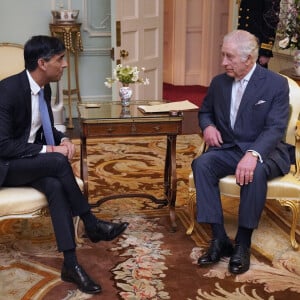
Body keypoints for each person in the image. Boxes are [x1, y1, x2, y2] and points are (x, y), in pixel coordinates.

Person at [0, 35, 129, 294]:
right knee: (58, 162)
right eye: (60, 59)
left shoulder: (44, 87)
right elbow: (2, 145)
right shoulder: (7, 91)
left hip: (28, 161)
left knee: (55, 187)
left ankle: (70, 264)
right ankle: (91, 223)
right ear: (42, 63)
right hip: (5, 165)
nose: (65, 65)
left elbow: (41, 128)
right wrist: (51, 149)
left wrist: (64, 138)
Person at [192, 30, 291, 274]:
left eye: (229, 57)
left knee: (254, 172)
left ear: (249, 59)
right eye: (223, 55)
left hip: (266, 150)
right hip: (229, 148)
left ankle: (243, 244)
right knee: (202, 164)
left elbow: (275, 128)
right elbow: (205, 112)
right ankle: (219, 239)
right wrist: (208, 126)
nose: (223, 62)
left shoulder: (275, 84)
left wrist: (254, 153)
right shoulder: (219, 83)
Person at [237, 0, 281, 68]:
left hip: (258, 48)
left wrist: (265, 52)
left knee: (256, 76)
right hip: (244, 45)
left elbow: (271, 23)